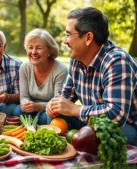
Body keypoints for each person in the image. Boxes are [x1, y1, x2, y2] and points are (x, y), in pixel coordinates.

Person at [46, 7, 137, 145]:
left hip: (127, 126)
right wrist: (54, 105)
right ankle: (73, 147)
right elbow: (64, 96)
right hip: (92, 120)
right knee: (56, 118)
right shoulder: (77, 60)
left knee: (98, 134)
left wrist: (74, 109)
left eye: (68, 35)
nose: (65, 41)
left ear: (88, 38)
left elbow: (116, 114)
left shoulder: (116, 61)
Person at [13, 28, 68, 124]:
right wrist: (26, 103)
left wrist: (37, 106)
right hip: (32, 110)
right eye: (30, 47)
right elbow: (24, 96)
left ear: (49, 51)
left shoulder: (60, 70)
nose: (33, 52)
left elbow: (57, 104)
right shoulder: (24, 67)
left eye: (38, 48)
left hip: (50, 111)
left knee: (49, 116)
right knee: (17, 111)